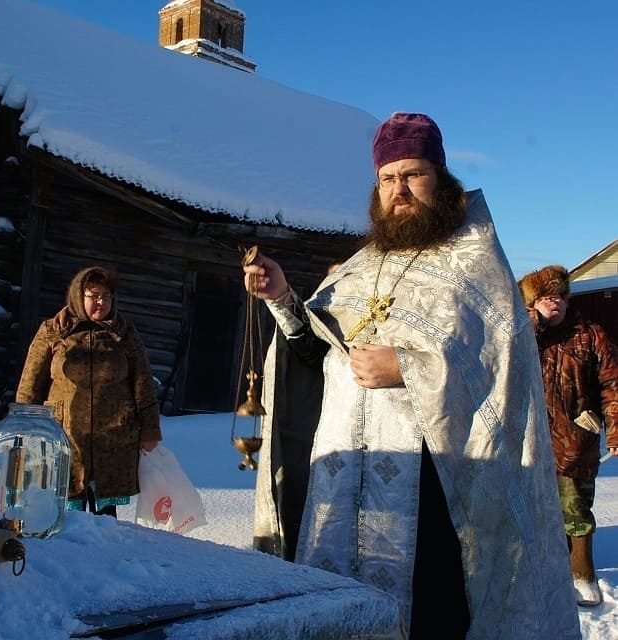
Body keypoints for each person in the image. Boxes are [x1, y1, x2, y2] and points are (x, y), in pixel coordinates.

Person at [242, 112, 580, 639]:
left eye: (413, 174)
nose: (398, 189)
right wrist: (283, 298)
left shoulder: (474, 267)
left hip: (435, 490)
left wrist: (407, 365)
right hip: (344, 477)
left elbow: (500, 369)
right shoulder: (358, 267)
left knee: (431, 613)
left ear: (440, 180)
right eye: (387, 178)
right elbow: (316, 356)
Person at [15, 266, 162, 517]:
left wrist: (150, 430)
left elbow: (143, 384)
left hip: (114, 434)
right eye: (93, 295)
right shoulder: (54, 330)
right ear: (77, 296)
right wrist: (26, 426)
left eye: (106, 296)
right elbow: (30, 385)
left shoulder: (123, 333)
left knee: (106, 515)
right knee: (66, 508)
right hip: (65, 433)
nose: (101, 302)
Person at [518, 264, 618, 607]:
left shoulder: (591, 334)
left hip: (575, 440)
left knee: (575, 510)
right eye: (546, 297)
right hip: (527, 442)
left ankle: (583, 575)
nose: (555, 303)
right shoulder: (521, 334)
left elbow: (613, 385)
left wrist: (616, 431)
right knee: (533, 510)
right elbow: (499, 356)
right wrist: (534, 323)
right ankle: (547, 572)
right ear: (532, 303)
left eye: (560, 295)